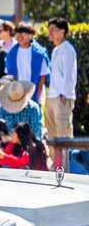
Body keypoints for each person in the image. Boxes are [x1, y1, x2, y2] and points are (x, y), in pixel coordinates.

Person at [45, 17, 77, 169]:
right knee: (51, 134)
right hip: (52, 96)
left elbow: (70, 74)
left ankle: (67, 166)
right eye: (49, 29)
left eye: (54, 30)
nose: (50, 33)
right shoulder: (56, 50)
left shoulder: (67, 49)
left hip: (62, 97)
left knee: (64, 133)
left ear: (62, 31)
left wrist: (64, 93)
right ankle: (56, 164)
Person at [5, 21, 50, 105]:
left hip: (34, 97)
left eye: (23, 32)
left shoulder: (39, 53)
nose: (19, 36)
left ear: (31, 34)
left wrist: (37, 98)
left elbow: (42, 77)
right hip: (17, 96)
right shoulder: (11, 53)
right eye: (17, 32)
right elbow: (9, 76)